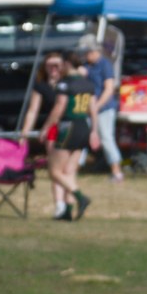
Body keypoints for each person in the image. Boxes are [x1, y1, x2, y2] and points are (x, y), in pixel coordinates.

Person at [39, 52, 99, 221]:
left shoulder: (65, 84)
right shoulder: (87, 84)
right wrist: (94, 130)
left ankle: (80, 197)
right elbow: (93, 109)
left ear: (66, 64)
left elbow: (59, 108)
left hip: (69, 126)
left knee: (55, 171)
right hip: (83, 126)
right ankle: (67, 211)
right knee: (69, 171)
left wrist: (46, 128)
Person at [20, 51, 68, 216]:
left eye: (57, 65)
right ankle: (60, 204)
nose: (54, 68)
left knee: (68, 169)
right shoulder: (41, 85)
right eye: (50, 65)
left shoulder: (69, 82)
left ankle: (69, 202)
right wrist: (24, 133)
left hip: (72, 127)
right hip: (53, 128)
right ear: (45, 67)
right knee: (56, 168)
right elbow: (32, 111)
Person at [79, 34, 124, 183]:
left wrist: (97, 106)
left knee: (106, 138)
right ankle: (74, 169)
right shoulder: (85, 66)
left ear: (93, 51)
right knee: (81, 138)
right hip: (87, 109)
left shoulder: (105, 64)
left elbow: (109, 89)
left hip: (104, 109)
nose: (85, 55)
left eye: (86, 52)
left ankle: (117, 172)